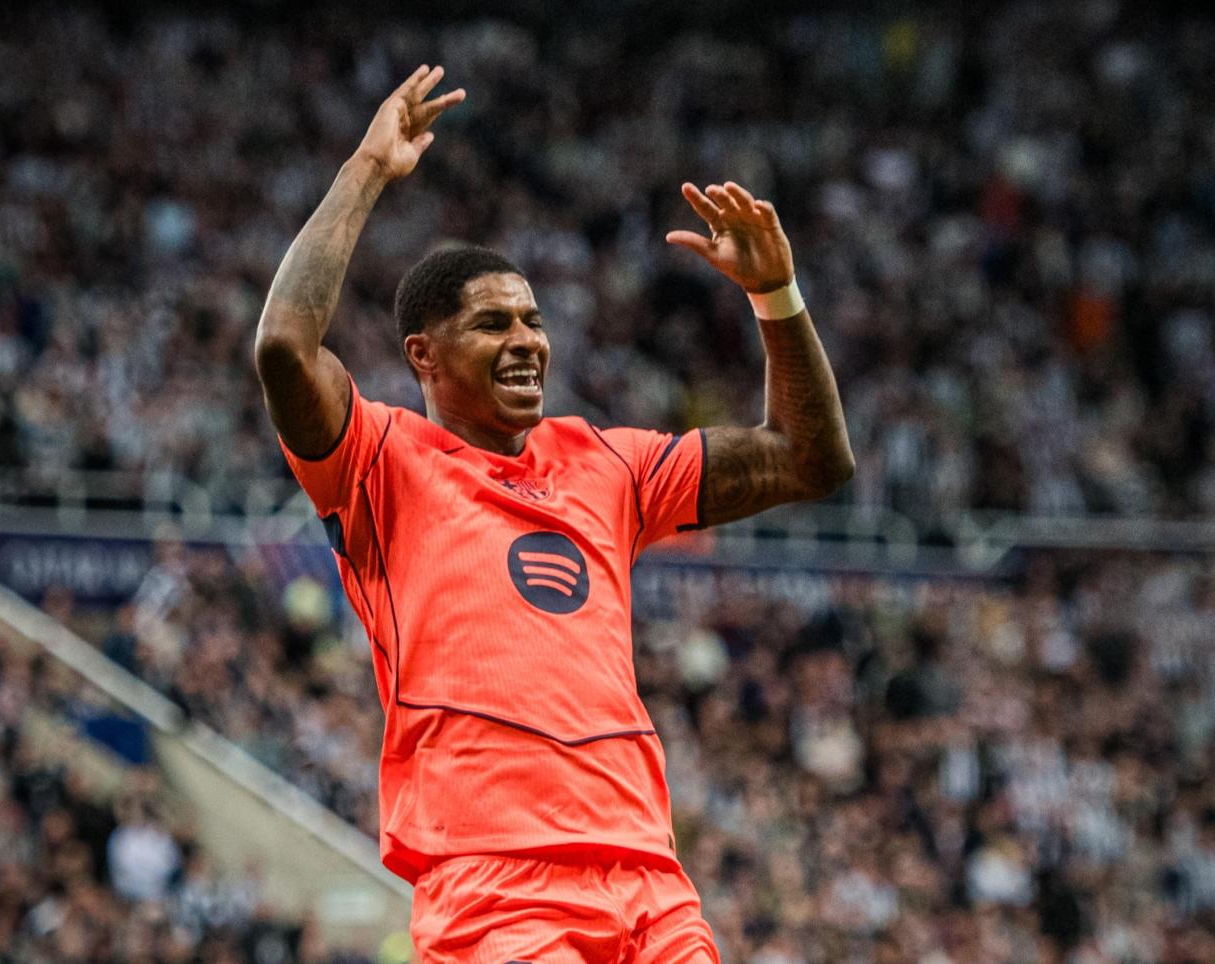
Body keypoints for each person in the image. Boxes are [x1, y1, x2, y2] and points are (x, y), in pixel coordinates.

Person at [253, 65, 854, 962]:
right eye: (493, 324)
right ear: (423, 353)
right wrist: (368, 170)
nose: (528, 340)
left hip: (648, 878)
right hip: (493, 882)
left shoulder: (607, 462)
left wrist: (777, 298)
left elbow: (812, 459)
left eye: (532, 320)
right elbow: (283, 347)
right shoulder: (380, 463)